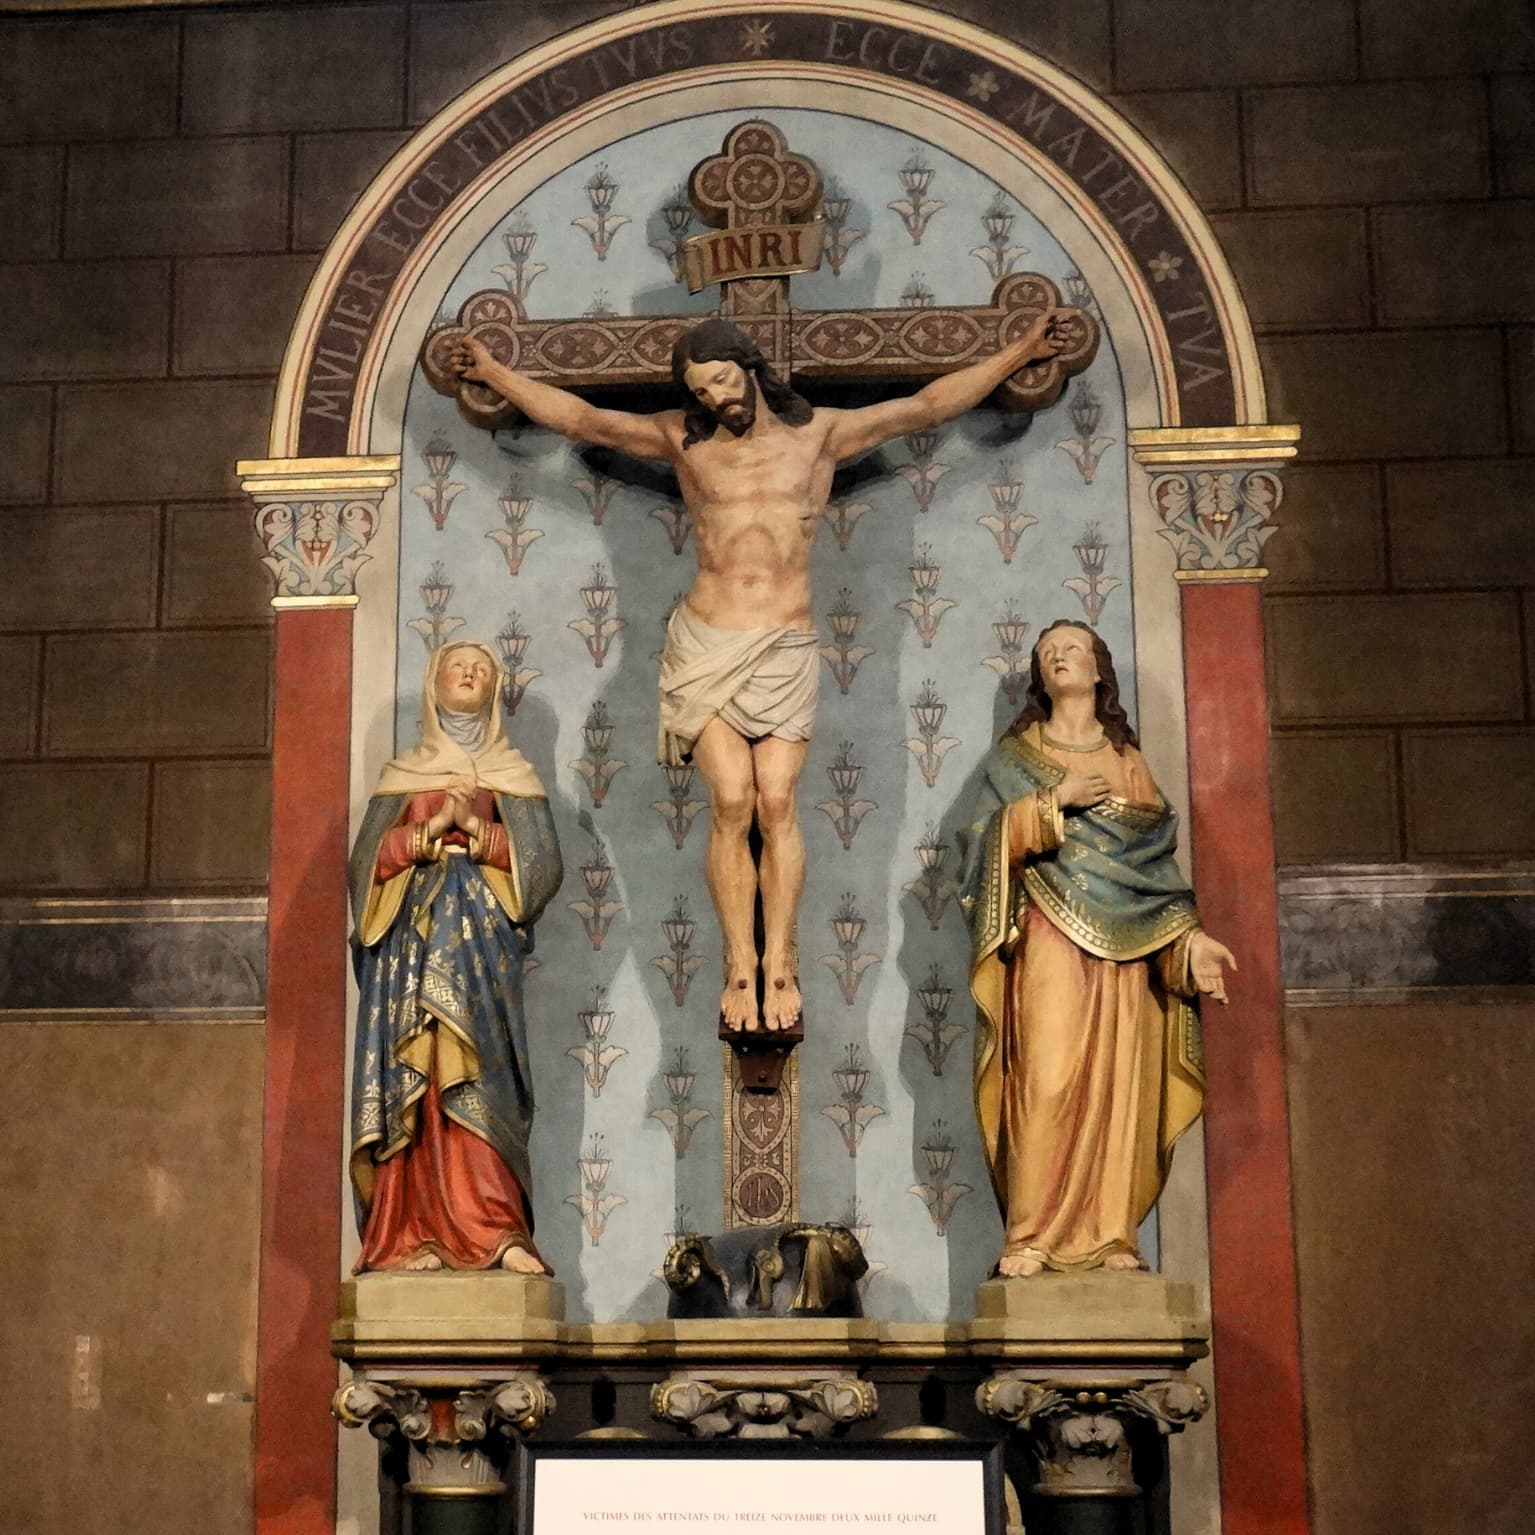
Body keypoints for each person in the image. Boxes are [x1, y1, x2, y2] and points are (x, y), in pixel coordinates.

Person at [449, 311, 1064, 1033]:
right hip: (706, 640)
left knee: (777, 802)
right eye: (698, 391)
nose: (712, 399)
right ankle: (742, 964)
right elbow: (586, 420)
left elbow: (926, 407)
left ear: (746, 365)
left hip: (783, 645)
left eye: (717, 380)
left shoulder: (820, 435)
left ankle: (782, 963)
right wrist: (492, 372)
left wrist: (1017, 351)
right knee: (733, 799)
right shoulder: (684, 442)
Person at [956, 620, 1236, 1278]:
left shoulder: (1126, 762)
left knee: (1119, 1091)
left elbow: (1150, 874)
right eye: (1047, 651)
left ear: (1097, 670)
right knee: (1046, 1082)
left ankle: (1113, 1236)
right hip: (1048, 939)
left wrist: (1188, 941)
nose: (1059, 655)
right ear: (1038, 675)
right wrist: (1052, 802)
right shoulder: (1013, 759)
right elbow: (976, 851)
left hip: (1126, 958)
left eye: (1072, 647)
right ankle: (1027, 1236)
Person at [348, 641, 563, 1274]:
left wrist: (474, 830)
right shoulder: (401, 774)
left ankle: (498, 1233)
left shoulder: (514, 775)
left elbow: (543, 869)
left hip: (480, 956)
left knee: (478, 1077)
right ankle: (414, 1236)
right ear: (433, 682)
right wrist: (429, 830)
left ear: (495, 690)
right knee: (415, 1087)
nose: (468, 676)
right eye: (457, 667)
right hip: (406, 957)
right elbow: (363, 871)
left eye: (481, 671)